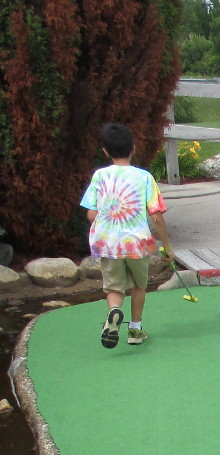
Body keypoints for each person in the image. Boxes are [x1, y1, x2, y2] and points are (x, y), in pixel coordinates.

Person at [81, 122, 174, 349]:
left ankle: (114, 313)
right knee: (139, 286)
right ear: (133, 148)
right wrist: (168, 247)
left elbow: (91, 214)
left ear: (105, 150)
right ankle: (135, 329)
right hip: (137, 243)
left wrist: (107, 219)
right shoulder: (144, 177)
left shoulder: (99, 176)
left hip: (108, 243)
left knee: (114, 288)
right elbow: (157, 216)